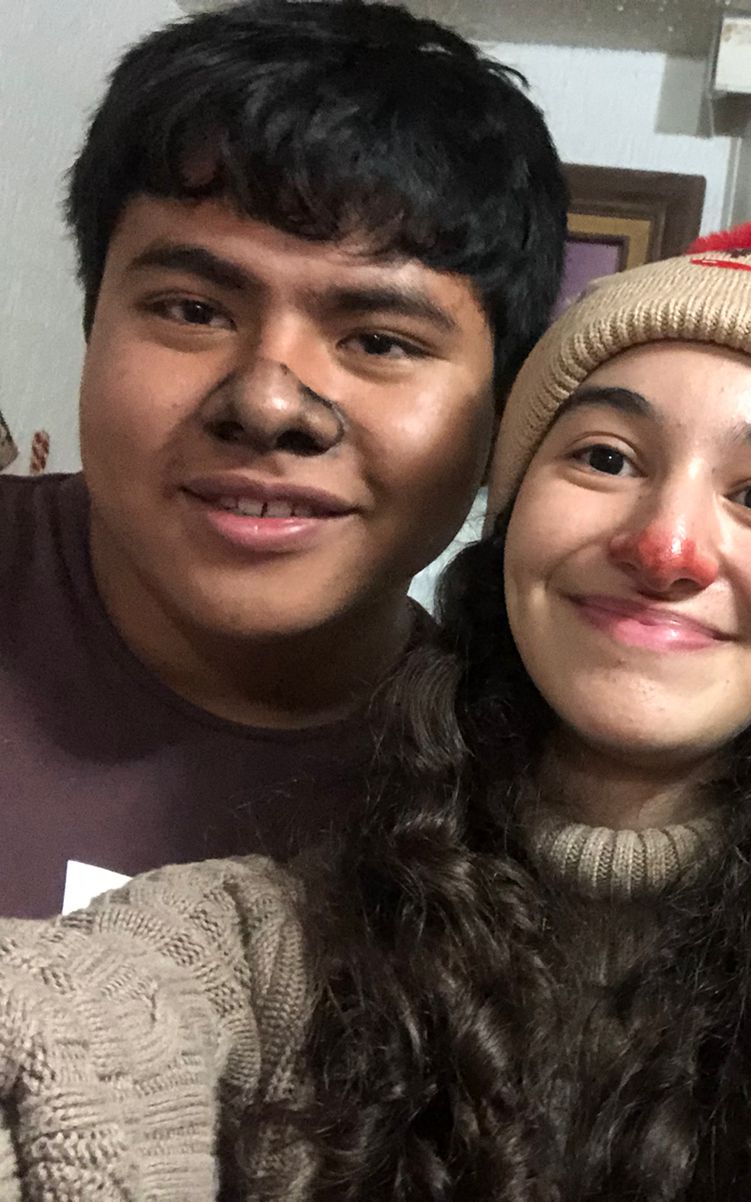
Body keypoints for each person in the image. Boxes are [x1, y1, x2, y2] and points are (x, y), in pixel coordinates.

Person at [0, 214, 751, 1202]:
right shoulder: (269, 936)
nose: (667, 543)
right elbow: (71, 1041)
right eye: (602, 457)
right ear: (507, 528)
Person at [0, 0, 567, 917]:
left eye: (379, 341)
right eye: (193, 311)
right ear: (93, 322)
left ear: (501, 407)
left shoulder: (524, 801)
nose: (268, 404)